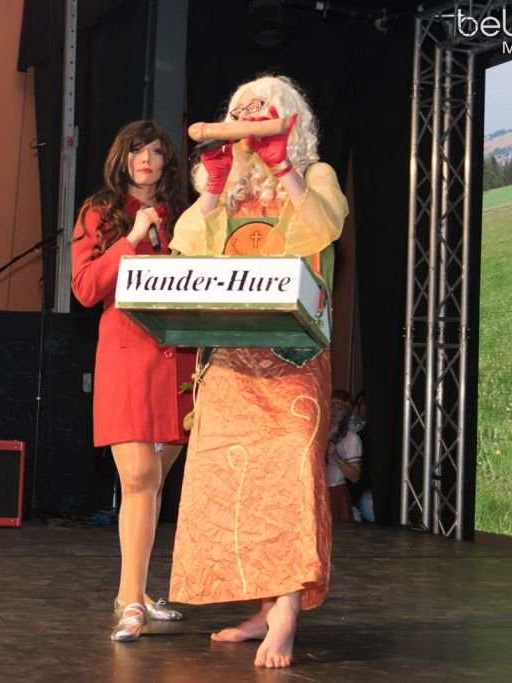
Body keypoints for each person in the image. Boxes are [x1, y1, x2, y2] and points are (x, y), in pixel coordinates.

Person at [168, 74, 349, 668]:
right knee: (235, 483)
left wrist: (285, 169)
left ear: (285, 117)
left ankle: (287, 611)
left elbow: (323, 226)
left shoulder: (315, 175)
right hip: (231, 357)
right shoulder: (227, 185)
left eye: (259, 107)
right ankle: (262, 608)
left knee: (289, 475)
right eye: (239, 108)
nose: (247, 115)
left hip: (292, 356)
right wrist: (214, 191)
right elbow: (187, 250)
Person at [70, 120, 196, 642]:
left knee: (151, 484)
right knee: (140, 478)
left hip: (179, 363)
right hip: (126, 360)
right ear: (122, 158)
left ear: (168, 163)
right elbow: (84, 289)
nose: (146, 158)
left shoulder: (185, 216)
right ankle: (129, 601)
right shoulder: (100, 212)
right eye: (137, 150)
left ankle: (138, 591)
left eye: (157, 151)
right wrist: (130, 239)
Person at [327, 390, 363, 521]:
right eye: (331, 406)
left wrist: (335, 456)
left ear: (346, 413)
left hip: (335, 491)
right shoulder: (318, 432)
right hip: (316, 490)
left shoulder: (351, 438)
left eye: (340, 408)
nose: (334, 411)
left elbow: (355, 476)